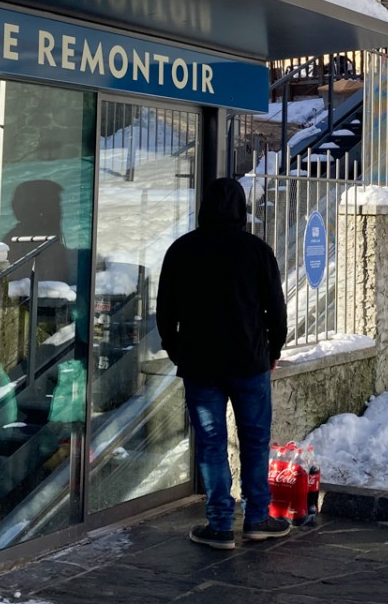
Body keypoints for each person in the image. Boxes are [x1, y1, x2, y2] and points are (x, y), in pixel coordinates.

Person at [156, 177, 291, 550]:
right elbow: (276, 311)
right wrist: (273, 351)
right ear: (241, 208)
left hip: (200, 365)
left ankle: (218, 524)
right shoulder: (256, 251)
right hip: (249, 362)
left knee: (212, 443)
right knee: (254, 439)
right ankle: (257, 518)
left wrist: (176, 351)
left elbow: (165, 311)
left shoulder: (181, 250)